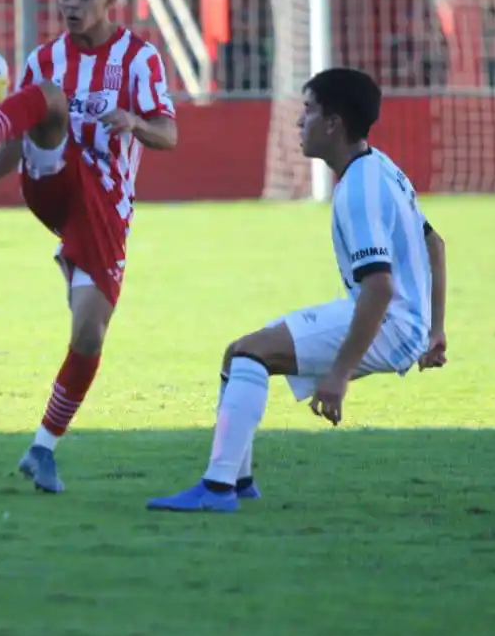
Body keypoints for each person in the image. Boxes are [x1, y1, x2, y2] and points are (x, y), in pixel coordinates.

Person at [0, 0, 178, 493]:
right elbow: (19, 135)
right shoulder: (45, 60)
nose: (71, 4)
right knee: (49, 98)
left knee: (88, 334)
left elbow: (169, 135)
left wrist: (132, 121)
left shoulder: (139, 59)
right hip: (52, 181)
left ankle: (43, 449)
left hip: (103, 207)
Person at [146, 67, 447, 513]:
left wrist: (339, 375)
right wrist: (435, 329)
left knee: (253, 354)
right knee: (239, 354)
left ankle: (217, 489)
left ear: (333, 123)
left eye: (307, 111)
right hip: (403, 321)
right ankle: (239, 479)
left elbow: (380, 287)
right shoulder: (382, 168)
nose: (298, 122)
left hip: (387, 320)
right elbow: (434, 244)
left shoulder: (358, 190)